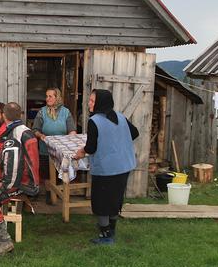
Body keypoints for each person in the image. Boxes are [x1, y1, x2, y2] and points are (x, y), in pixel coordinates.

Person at [74, 89, 139, 245]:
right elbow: (135, 133)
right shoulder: (121, 117)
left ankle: (106, 236)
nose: (88, 103)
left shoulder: (94, 121)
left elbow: (91, 148)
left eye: (91, 101)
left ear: (100, 103)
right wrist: (117, 142)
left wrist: (80, 152)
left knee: (102, 202)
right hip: (124, 166)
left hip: (106, 169)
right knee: (115, 199)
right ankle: (111, 230)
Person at [0, 102, 39, 255]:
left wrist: (2, 185)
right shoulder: (26, 131)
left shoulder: (9, 134)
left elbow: (11, 173)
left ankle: (4, 241)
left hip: (20, 183)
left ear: (4, 116)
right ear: (21, 115)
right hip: (29, 181)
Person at [32, 87, 77, 184]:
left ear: (57, 98)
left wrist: (70, 138)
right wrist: (40, 135)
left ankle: (59, 193)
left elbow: (72, 130)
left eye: (50, 96)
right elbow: (35, 129)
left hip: (61, 151)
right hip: (45, 149)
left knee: (60, 175)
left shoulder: (66, 112)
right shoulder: (42, 112)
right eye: (46, 96)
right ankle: (50, 195)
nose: (47, 99)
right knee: (47, 176)